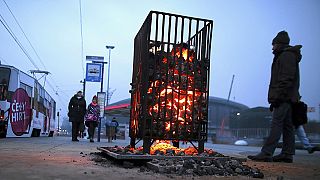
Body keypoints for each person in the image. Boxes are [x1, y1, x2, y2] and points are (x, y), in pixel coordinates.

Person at [248, 31, 302, 163]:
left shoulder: (286, 56)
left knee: (276, 124)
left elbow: (286, 79)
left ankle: (266, 153)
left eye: (274, 44)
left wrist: (277, 97)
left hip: (284, 97)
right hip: (289, 97)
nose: (272, 47)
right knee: (288, 126)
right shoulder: (287, 55)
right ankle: (287, 154)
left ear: (280, 44)